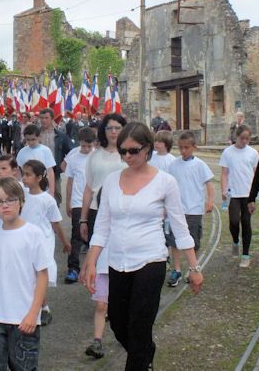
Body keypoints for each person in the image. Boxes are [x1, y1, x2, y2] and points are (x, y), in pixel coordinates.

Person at [80, 122, 203, 370]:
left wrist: (194, 267)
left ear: (147, 148)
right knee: (118, 321)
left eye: (133, 151)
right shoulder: (113, 181)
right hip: (117, 261)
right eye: (123, 151)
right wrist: (91, 261)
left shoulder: (165, 182)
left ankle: (140, 359)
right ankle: (145, 353)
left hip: (150, 261)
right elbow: (102, 226)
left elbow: (180, 227)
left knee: (139, 325)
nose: (127, 156)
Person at [0, 177, 50, 370]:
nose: (5, 205)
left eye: (10, 200)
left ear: (21, 202)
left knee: (24, 366)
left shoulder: (33, 233)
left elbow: (42, 275)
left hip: (24, 315)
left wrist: (34, 313)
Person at [21, 159, 71, 326]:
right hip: (25, 239)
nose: (24, 178)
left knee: (38, 275)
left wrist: (65, 242)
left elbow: (55, 223)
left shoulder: (47, 200)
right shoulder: (21, 196)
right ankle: (38, 307)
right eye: (23, 174)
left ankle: (43, 308)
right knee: (28, 275)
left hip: (42, 241)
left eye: (28, 175)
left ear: (39, 177)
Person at [167, 130, 214, 286]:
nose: (183, 151)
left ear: (194, 147)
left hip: (194, 209)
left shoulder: (200, 165)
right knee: (174, 241)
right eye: (180, 147)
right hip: (177, 209)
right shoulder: (173, 164)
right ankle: (177, 269)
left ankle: (193, 268)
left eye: (186, 147)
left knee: (193, 240)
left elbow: (209, 183)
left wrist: (210, 200)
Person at [79, 113, 128, 244]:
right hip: (96, 210)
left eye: (117, 128)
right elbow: (89, 188)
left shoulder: (130, 156)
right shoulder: (94, 156)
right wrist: (83, 219)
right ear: (103, 131)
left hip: (122, 211)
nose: (113, 132)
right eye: (109, 128)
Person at [219, 125, 258, 268]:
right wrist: (223, 189)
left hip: (247, 194)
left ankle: (246, 255)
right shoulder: (228, 153)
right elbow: (224, 172)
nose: (245, 141)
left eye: (248, 138)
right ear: (236, 136)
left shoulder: (253, 153)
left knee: (246, 223)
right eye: (243, 138)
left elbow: (255, 173)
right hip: (233, 193)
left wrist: (256, 193)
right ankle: (235, 241)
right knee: (234, 221)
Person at [64, 126, 96, 284]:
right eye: (84, 146)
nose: (86, 149)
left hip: (94, 202)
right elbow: (69, 181)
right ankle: (73, 268)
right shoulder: (73, 157)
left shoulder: (97, 157)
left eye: (89, 146)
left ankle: (93, 266)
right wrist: (68, 202)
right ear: (79, 143)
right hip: (77, 201)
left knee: (94, 235)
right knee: (76, 235)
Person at [38, 107, 75, 204]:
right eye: (41, 118)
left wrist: (64, 163)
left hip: (54, 172)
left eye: (46, 118)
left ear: (52, 119)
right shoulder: (35, 135)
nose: (43, 120)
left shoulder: (60, 136)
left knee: (55, 199)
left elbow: (72, 151)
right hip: (37, 171)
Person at [16, 124, 56, 197]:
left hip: (43, 189)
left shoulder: (45, 151)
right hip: (26, 190)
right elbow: (18, 172)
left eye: (33, 139)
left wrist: (52, 192)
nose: (30, 142)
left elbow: (50, 171)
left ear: (39, 136)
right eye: (28, 140)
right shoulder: (22, 152)